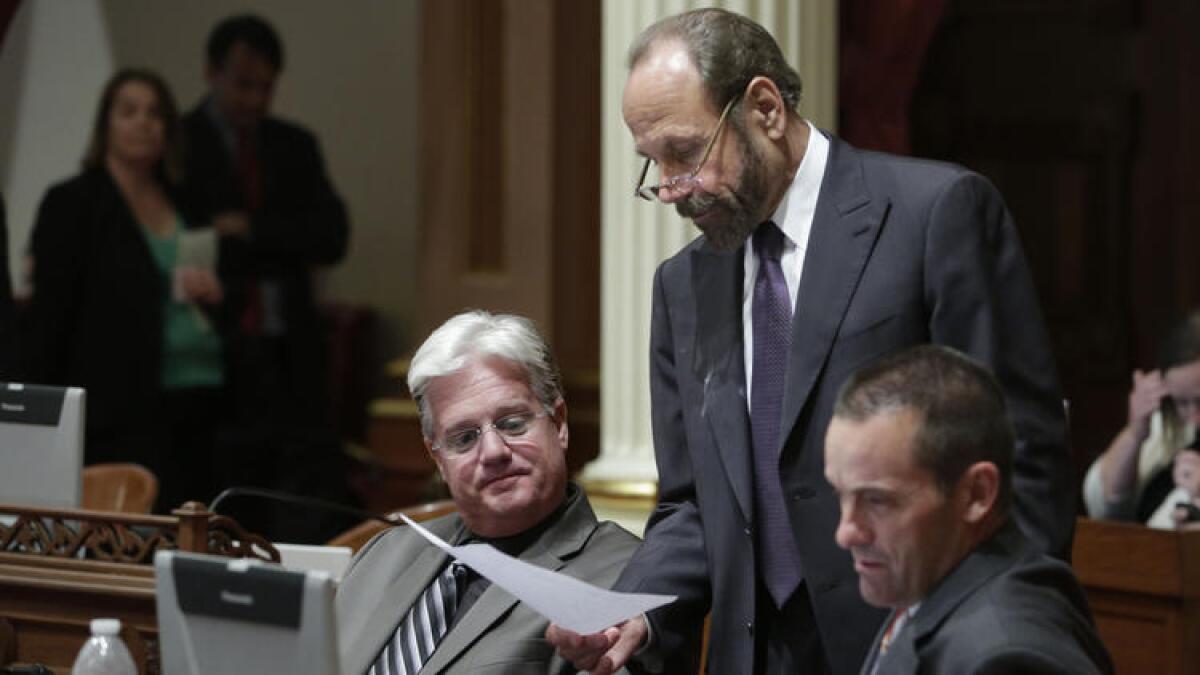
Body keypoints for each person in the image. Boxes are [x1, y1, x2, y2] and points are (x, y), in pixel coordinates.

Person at [547, 8, 1072, 674]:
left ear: (764, 107)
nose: (675, 189)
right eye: (654, 164)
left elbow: (1022, 460)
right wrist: (637, 610)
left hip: (914, 646)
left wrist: (993, 636)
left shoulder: (934, 213)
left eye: (686, 152)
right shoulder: (683, 283)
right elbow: (691, 503)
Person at [335, 310, 640, 675]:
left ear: (558, 424)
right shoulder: (384, 553)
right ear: (438, 459)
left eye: (512, 424)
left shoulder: (627, 576)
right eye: (464, 438)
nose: (493, 452)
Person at [825, 345, 1112, 675]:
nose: (846, 532)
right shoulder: (932, 584)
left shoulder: (1006, 658)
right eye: (840, 495)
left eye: (877, 501)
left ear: (976, 494)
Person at [22, 69, 225, 511]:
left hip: (200, 393)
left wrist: (213, 292)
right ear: (106, 124)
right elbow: (51, 317)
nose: (143, 122)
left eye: (154, 113)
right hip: (118, 401)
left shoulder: (188, 199)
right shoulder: (73, 202)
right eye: (128, 111)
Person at [181, 14, 350, 539]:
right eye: (242, 84)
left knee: (299, 495)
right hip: (214, 347)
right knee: (225, 494)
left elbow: (331, 236)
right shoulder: (180, 142)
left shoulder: (292, 145)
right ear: (212, 73)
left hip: (288, 346)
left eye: (265, 87)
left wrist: (250, 230)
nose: (255, 100)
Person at [1084, 310, 1200, 528]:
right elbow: (1103, 508)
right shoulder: (1170, 426)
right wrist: (1136, 433)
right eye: (1181, 402)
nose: (1193, 418)